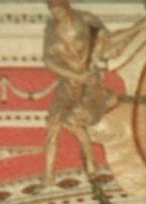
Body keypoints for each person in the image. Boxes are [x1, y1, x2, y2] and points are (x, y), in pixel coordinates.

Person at [42, 0, 111, 183]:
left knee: (75, 121)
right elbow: (48, 59)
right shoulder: (51, 27)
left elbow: (104, 33)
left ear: (67, 7)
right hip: (67, 83)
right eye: (52, 9)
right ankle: (48, 176)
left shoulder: (85, 19)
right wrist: (73, 75)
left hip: (89, 82)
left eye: (58, 9)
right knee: (53, 124)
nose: (56, 14)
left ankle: (90, 164)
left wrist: (95, 56)